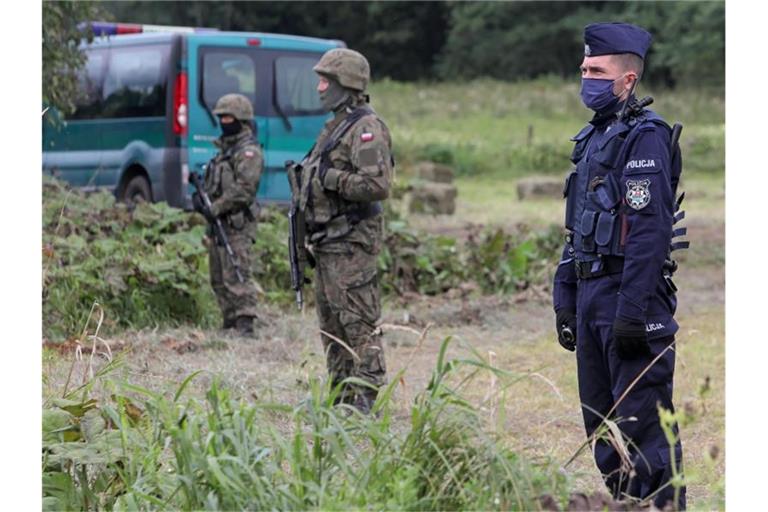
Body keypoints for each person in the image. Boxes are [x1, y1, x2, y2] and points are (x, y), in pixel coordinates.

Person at [552, 22, 687, 509]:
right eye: (584, 67)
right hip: (592, 298)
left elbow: (649, 235)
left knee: (643, 428)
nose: (585, 77)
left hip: (627, 297)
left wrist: (632, 309)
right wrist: (564, 298)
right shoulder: (592, 138)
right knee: (603, 428)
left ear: (627, 79)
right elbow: (579, 225)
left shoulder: (644, 138)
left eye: (596, 70)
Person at [288, 48, 394, 414]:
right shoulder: (337, 125)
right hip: (329, 242)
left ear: (345, 84)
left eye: (325, 81)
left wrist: (329, 179)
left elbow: (377, 184)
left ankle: (366, 397)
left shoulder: (366, 128)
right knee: (332, 325)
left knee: (358, 320)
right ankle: (342, 395)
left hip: (351, 242)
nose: (318, 88)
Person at [193, 93, 263, 336]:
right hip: (218, 224)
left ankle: (246, 324)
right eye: (221, 117)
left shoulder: (248, 152)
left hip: (237, 224)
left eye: (228, 117)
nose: (223, 121)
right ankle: (229, 321)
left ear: (242, 119)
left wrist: (217, 207)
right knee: (219, 276)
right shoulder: (223, 151)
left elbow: (245, 189)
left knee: (237, 273)